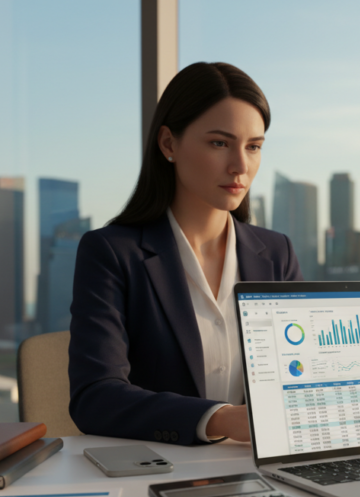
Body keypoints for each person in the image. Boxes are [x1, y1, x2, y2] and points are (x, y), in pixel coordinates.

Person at [68, 62, 302, 445]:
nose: (241, 166)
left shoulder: (276, 253)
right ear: (168, 144)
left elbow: (304, 377)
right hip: (157, 475)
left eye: (254, 147)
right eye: (219, 143)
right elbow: (95, 397)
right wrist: (221, 420)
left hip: (261, 472)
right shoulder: (111, 253)